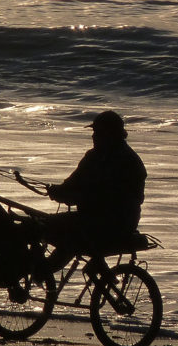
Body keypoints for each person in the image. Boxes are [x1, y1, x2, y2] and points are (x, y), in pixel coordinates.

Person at [40, 110, 147, 272]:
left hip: (116, 223)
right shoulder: (93, 156)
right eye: (94, 132)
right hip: (92, 218)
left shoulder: (126, 161)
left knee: (61, 231)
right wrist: (58, 191)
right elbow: (73, 183)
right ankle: (43, 270)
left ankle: (45, 271)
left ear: (111, 134)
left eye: (98, 132)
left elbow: (106, 198)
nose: (93, 137)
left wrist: (68, 196)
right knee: (43, 224)